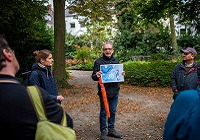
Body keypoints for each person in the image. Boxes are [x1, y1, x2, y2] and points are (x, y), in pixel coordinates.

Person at [0, 35, 73, 139]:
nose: (52, 60)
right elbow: (36, 93)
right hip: (44, 109)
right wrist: (54, 98)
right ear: (42, 61)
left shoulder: (49, 71)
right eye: (50, 58)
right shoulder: (35, 74)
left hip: (53, 104)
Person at [91, 42, 125, 140]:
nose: (108, 51)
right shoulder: (98, 62)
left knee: (113, 111)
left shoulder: (116, 61)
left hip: (115, 90)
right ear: (103, 50)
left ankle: (111, 130)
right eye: (106, 49)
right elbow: (93, 76)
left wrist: (121, 74)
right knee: (103, 112)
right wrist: (96, 75)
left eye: (109, 49)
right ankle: (103, 131)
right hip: (103, 91)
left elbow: (118, 75)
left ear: (112, 50)